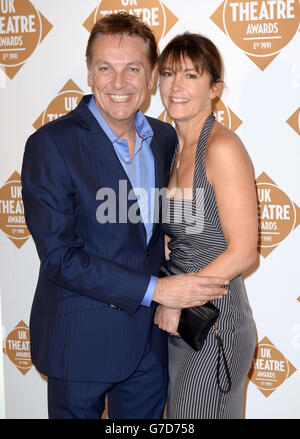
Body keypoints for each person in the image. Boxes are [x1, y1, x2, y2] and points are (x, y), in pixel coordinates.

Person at [21, 14, 228, 419]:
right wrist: (157, 291)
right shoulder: (51, 145)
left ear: (151, 76)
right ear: (89, 73)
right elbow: (60, 258)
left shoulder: (165, 138)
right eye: (106, 68)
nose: (119, 83)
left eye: (132, 68)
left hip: (149, 349)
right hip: (80, 344)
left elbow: (163, 232)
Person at [154, 32, 258, 419]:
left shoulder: (222, 148)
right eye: (168, 74)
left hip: (214, 323)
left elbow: (244, 250)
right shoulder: (170, 148)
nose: (176, 86)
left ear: (215, 88)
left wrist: (176, 299)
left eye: (191, 76)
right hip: (179, 319)